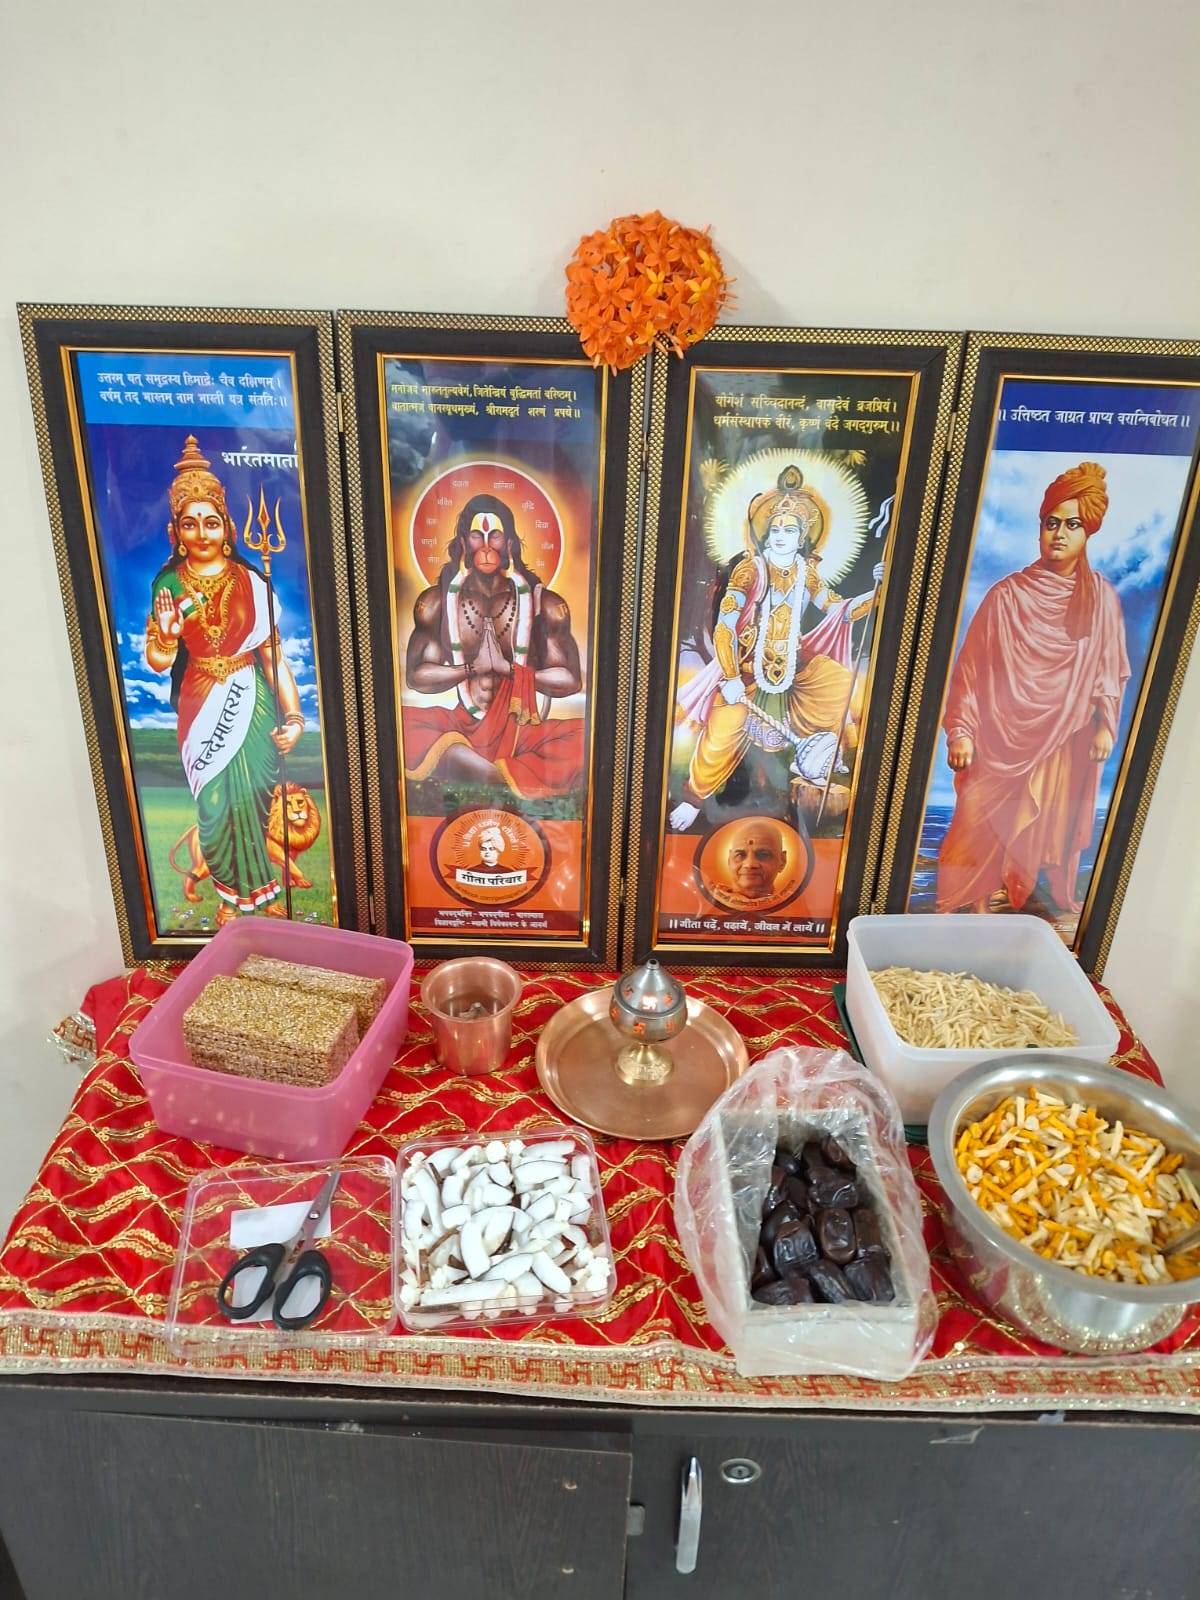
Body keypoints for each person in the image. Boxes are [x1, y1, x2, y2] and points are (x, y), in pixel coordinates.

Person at [936, 460, 1130, 917]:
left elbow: (1108, 668)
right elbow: (970, 672)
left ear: (1088, 532)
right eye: (1051, 523)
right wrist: (961, 731)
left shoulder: (1101, 598)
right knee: (979, 818)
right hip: (998, 737)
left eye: (1072, 525)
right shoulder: (1005, 596)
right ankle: (971, 905)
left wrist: (1105, 725)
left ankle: (1026, 904)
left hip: (1063, 735)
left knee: (1045, 821)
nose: (1059, 534)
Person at [145, 436, 305, 923]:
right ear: (176, 530)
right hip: (199, 700)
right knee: (214, 806)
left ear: (227, 527)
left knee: (253, 800)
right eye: (190, 523)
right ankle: (229, 898)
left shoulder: (251, 582)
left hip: (250, 698)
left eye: (210, 521)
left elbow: (273, 657)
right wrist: (167, 637)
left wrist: (295, 717)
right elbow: (157, 660)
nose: (201, 533)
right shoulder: (169, 584)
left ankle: (263, 899)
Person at [670, 465, 883, 830]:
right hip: (745, 667)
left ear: (802, 538)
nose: (782, 536)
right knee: (720, 735)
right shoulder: (750, 570)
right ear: (766, 535)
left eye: (791, 530)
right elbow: (725, 626)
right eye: (776, 530)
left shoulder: (806, 572)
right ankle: (693, 798)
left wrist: (876, 591)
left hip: (793, 665)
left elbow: (839, 609)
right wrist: (731, 677)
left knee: (838, 684)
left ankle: (814, 760)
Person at [404, 494, 584, 796]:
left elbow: (570, 680)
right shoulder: (437, 602)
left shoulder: (545, 604)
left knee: (585, 737)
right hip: (462, 724)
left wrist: (509, 670)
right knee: (400, 726)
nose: (486, 547)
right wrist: (470, 669)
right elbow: (416, 677)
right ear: (464, 542)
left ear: (510, 543)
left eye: (495, 536)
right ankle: (504, 773)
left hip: (522, 730)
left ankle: (479, 770)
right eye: (477, 535)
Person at [724, 817, 787, 901]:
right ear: (729, 860)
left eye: (763, 855)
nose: (750, 864)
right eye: (740, 855)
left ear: (782, 861)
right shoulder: (710, 901)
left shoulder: (797, 905)